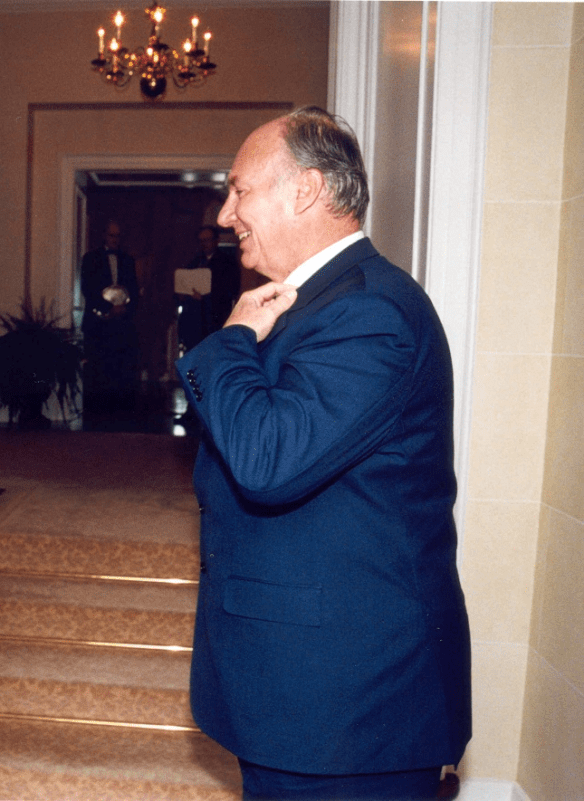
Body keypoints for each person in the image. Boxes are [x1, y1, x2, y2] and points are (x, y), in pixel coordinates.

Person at [176, 106, 471, 799]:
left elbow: (267, 459)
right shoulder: (315, 301)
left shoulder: (371, 311)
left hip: (349, 706)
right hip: (300, 696)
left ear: (304, 190)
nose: (226, 215)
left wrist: (228, 345)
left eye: (239, 189)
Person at [79, 220, 140, 419]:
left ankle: (119, 413)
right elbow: (87, 289)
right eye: (112, 235)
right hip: (98, 323)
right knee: (98, 367)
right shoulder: (90, 258)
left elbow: (134, 290)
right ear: (104, 236)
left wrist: (124, 309)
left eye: (118, 236)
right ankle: (96, 413)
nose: (115, 239)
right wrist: (108, 308)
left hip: (121, 325)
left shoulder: (128, 260)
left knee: (119, 367)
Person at [176, 224, 242, 352]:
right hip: (194, 321)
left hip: (214, 319)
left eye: (207, 240)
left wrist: (206, 296)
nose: (204, 244)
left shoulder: (227, 262)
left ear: (216, 241)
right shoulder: (194, 261)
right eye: (201, 241)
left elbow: (232, 289)